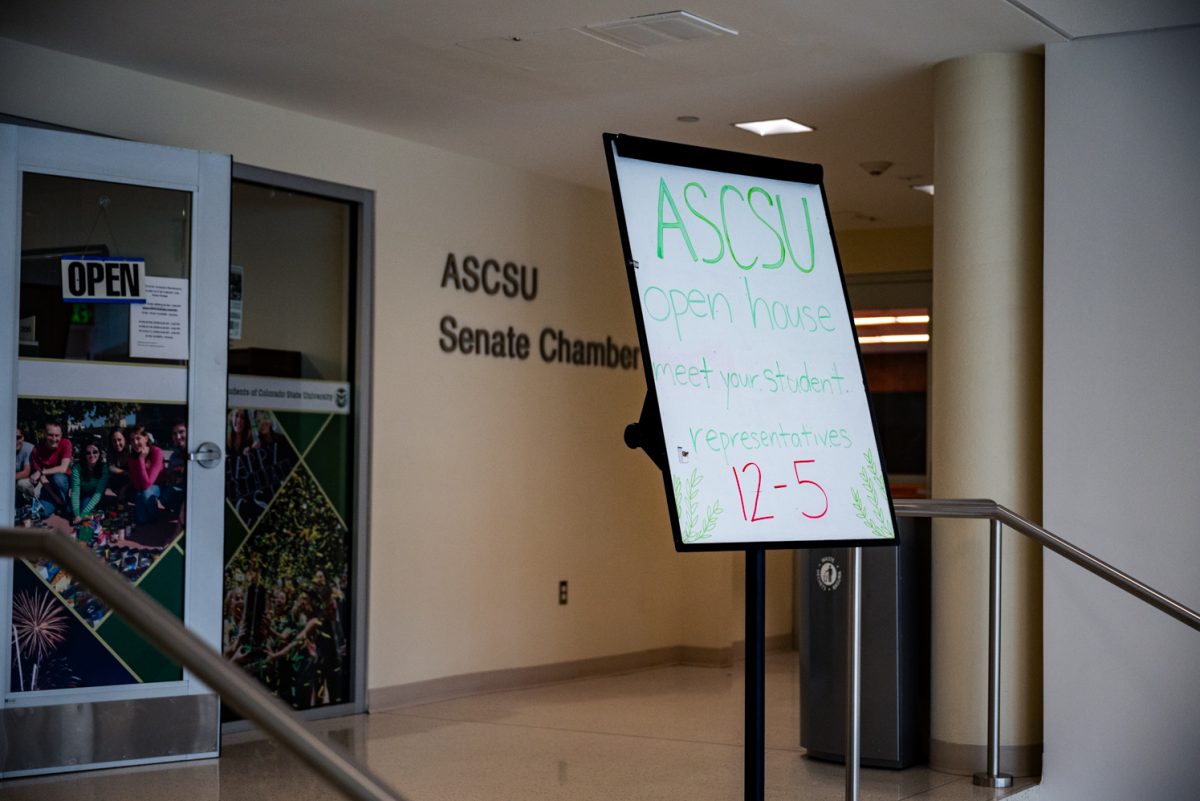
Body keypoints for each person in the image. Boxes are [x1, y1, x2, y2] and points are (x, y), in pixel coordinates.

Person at [17, 421, 73, 516]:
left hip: (63, 483)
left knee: (58, 478)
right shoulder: (36, 450)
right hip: (48, 487)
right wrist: (55, 497)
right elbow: (42, 478)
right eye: (50, 435)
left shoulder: (66, 443)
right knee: (43, 513)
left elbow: (63, 468)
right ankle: (58, 504)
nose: (54, 439)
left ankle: (64, 503)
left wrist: (41, 471)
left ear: (61, 435)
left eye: (57, 435)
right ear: (44, 434)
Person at [126, 425, 164, 524]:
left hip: (158, 487)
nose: (135, 443)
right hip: (141, 489)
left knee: (146, 494)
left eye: (138, 438)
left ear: (146, 438)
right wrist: (139, 460)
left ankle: (154, 515)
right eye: (132, 440)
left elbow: (148, 484)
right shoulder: (131, 458)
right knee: (141, 520)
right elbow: (138, 485)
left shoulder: (156, 452)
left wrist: (141, 459)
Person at [69, 440, 110, 525]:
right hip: (82, 493)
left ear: (100, 453)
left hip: (96, 494)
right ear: (84, 455)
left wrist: (82, 514)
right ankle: (95, 511)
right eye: (88, 453)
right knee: (70, 511)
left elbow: (98, 493)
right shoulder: (77, 468)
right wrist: (77, 515)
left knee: (84, 511)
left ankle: (96, 510)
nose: (92, 455)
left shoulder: (104, 468)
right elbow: (75, 492)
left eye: (95, 452)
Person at [160, 421, 187, 521]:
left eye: (181, 432)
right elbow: (170, 477)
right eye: (175, 434)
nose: (178, 437)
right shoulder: (174, 456)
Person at [106, 427, 131, 498]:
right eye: (114, 441)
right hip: (117, 483)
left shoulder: (131, 451)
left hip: (132, 484)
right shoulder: (111, 452)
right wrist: (124, 472)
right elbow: (111, 468)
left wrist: (124, 489)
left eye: (119, 440)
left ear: (125, 439)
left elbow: (134, 475)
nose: (117, 443)